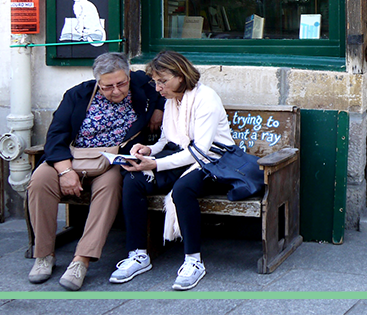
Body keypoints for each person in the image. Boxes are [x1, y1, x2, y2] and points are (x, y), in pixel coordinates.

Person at [26, 52, 164, 291]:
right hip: (73, 158)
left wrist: (158, 109)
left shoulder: (141, 84)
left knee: (111, 187)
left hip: (110, 163)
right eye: (107, 86)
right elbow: (55, 137)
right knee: (39, 180)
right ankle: (44, 255)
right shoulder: (77, 95)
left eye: (121, 83)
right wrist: (64, 171)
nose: (116, 91)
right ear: (97, 82)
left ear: (129, 76)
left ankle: (82, 260)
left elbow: (168, 87)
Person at [111, 50, 235, 291]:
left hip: (213, 161)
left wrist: (156, 164)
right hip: (182, 157)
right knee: (133, 178)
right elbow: (167, 140)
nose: (158, 88)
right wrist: (147, 150)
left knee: (183, 189)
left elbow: (199, 151)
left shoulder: (205, 98)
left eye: (162, 81)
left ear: (180, 76)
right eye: (155, 82)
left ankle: (193, 261)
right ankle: (138, 254)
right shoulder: (171, 101)